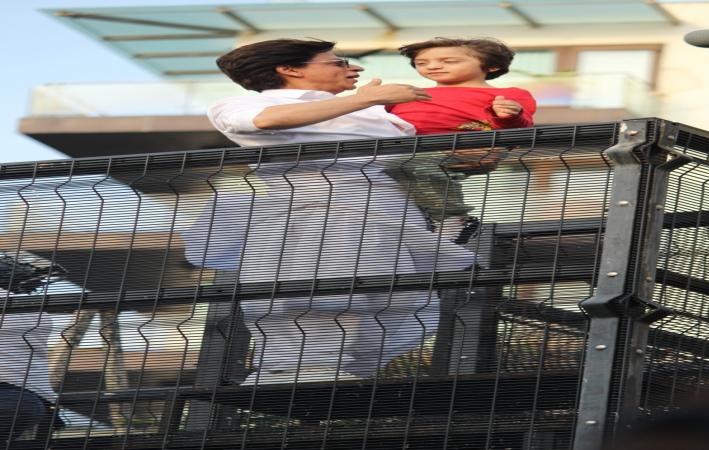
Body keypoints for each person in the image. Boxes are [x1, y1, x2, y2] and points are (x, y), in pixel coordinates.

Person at [183, 39, 476, 385]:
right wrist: (365, 99)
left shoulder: (368, 109)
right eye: (337, 62)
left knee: (392, 296)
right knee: (322, 289)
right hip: (318, 212)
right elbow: (265, 121)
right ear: (290, 70)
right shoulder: (245, 104)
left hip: (391, 212)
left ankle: (343, 367)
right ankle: (292, 368)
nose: (353, 68)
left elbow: (410, 158)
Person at [385, 38, 537, 242]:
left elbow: (521, 130)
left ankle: (454, 219)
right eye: (422, 63)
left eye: (449, 61)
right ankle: (431, 220)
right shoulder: (406, 95)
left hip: (469, 147)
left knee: (410, 164)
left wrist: (510, 114)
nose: (433, 66)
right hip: (412, 152)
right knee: (404, 168)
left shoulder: (508, 94)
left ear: (492, 66)